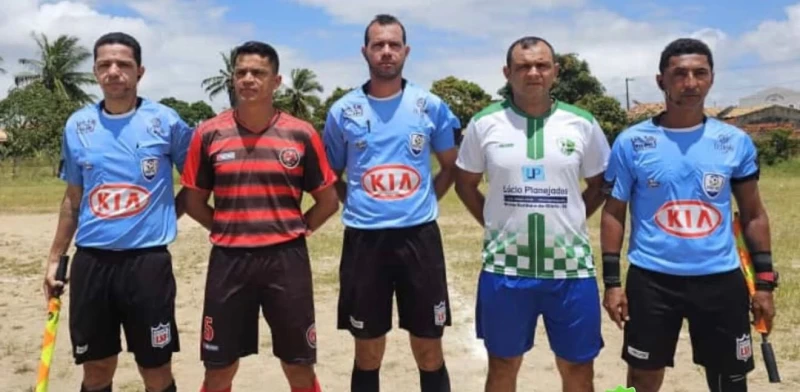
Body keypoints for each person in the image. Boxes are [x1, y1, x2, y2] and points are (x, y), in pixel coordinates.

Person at [600, 38, 778, 392]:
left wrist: (764, 284)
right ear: (661, 80)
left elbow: (754, 214)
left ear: (711, 79)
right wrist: (612, 283)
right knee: (642, 378)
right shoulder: (632, 142)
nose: (691, 82)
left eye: (700, 73)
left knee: (729, 379)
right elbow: (614, 214)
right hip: (651, 279)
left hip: (720, 279)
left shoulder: (734, 141)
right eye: (679, 73)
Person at [180, 40, 339, 392]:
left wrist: (295, 230)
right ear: (232, 79)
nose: (248, 79)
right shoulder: (208, 133)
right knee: (219, 368)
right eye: (241, 72)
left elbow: (327, 201)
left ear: (276, 81)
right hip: (229, 261)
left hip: (287, 261)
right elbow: (193, 203)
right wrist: (228, 228)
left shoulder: (301, 133)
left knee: (299, 365)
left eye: (258, 73)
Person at [454, 36, 610, 392]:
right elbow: (465, 184)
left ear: (555, 71)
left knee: (578, 369)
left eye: (542, 65)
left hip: (570, 269)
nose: (533, 73)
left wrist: (571, 219)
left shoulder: (582, 123)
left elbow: (600, 184)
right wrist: (495, 223)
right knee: (503, 365)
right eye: (523, 66)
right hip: (506, 270)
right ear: (508, 73)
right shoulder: (484, 123)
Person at [43, 32, 192, 392]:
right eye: (104, 65)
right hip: (92, 263)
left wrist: (168, 212)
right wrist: (54, 257)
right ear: (95, 72)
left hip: (148, 265)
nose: (114, 71)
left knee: (155, 369)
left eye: (123, 64)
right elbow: (73, 198)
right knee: (96, 369)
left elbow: (198, 183)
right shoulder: (77, 125)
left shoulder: (166, 122)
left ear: (139, 71)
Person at [321, 13, 461, 392]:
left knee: (429, 349)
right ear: (365, 51)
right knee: (367, 350)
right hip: (365, 241)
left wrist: (426, 197)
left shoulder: (430, 105)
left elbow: (450, 165)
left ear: (406, 51)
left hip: (419, 239)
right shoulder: (342, 111)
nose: (386, 52)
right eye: (378, 44)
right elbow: (331, 173)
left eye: (393, 45)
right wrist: (356, 202)